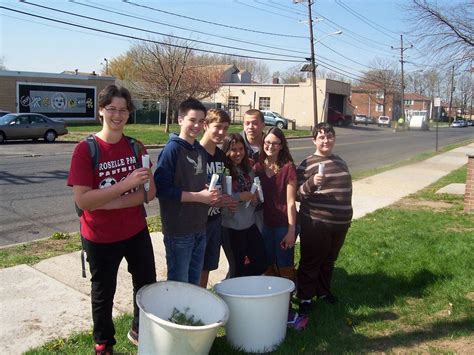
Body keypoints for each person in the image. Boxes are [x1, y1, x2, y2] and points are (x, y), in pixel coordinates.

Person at [68, 85, 156, 354]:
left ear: (129, 114)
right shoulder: (85, 150)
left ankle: (139, 329)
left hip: (135, 230)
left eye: (123, 110)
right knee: (104, 292)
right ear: (100, 111)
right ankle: (104, 343)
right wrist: (124, 185)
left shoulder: (135, 146)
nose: (117, 115)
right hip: (100, 236)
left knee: (146, 283)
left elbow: (149, 193)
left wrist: (107, 201)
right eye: (111, 109)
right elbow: (83, 201)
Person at [154, 98, 220, 286]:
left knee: (194, 282)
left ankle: (190, 316)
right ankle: (176, 316)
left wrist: (207, 191)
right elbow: (162, 189)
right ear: (180, 119)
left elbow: (195, 182)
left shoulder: (199, 149)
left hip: (200, 226)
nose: (197, 125)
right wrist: (199, 197)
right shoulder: (172, 149)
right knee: (179, 283)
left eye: (201, 121)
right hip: (179, 230)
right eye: (192, 120)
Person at [296, 123, 353, 317]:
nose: (326, 140)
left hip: (340, 223)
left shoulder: (340, 161)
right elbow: (296, 194)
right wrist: (311, 183)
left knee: (329, 260)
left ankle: (323, 292)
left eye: (329, 136)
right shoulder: (307, 163)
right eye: (321, 137)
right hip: (316, 222)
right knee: (311, 260)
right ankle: (304, 297)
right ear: (314, 140)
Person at [199, 109, 237, 288]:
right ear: (205, 125)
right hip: (196, 222)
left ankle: (201, 305)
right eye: (217, 127)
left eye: (226, 128)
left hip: (215, 220)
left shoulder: (221, 156)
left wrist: (226, 199)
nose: (222, 132)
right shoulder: (195, 153)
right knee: (193, 268)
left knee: (206, 266)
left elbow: (221, 184)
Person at [254, 127, 297, 281]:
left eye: (275, 143)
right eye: (267, 142)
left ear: (282, 145)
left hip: (284, 224)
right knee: (268, 261)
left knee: (284, 262)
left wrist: (291, 231)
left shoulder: (288, 168)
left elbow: (291, 202)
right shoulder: (258, 166)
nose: (270, 146)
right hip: (267, 223)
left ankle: (288, 299)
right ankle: (272, 293)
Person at [221, 133, 267, 277]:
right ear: (226, 151)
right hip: (231, 227)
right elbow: (219, 197)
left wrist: (255, 199)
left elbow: (255, 192)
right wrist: (239, 197)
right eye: (233, 149)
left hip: (250, 224)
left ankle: (241, 285)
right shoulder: (222, 171)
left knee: (261, 262)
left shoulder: (248, 169)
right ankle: (232, 292)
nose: (238, 153)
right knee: (237, 267)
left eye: (241, 149)